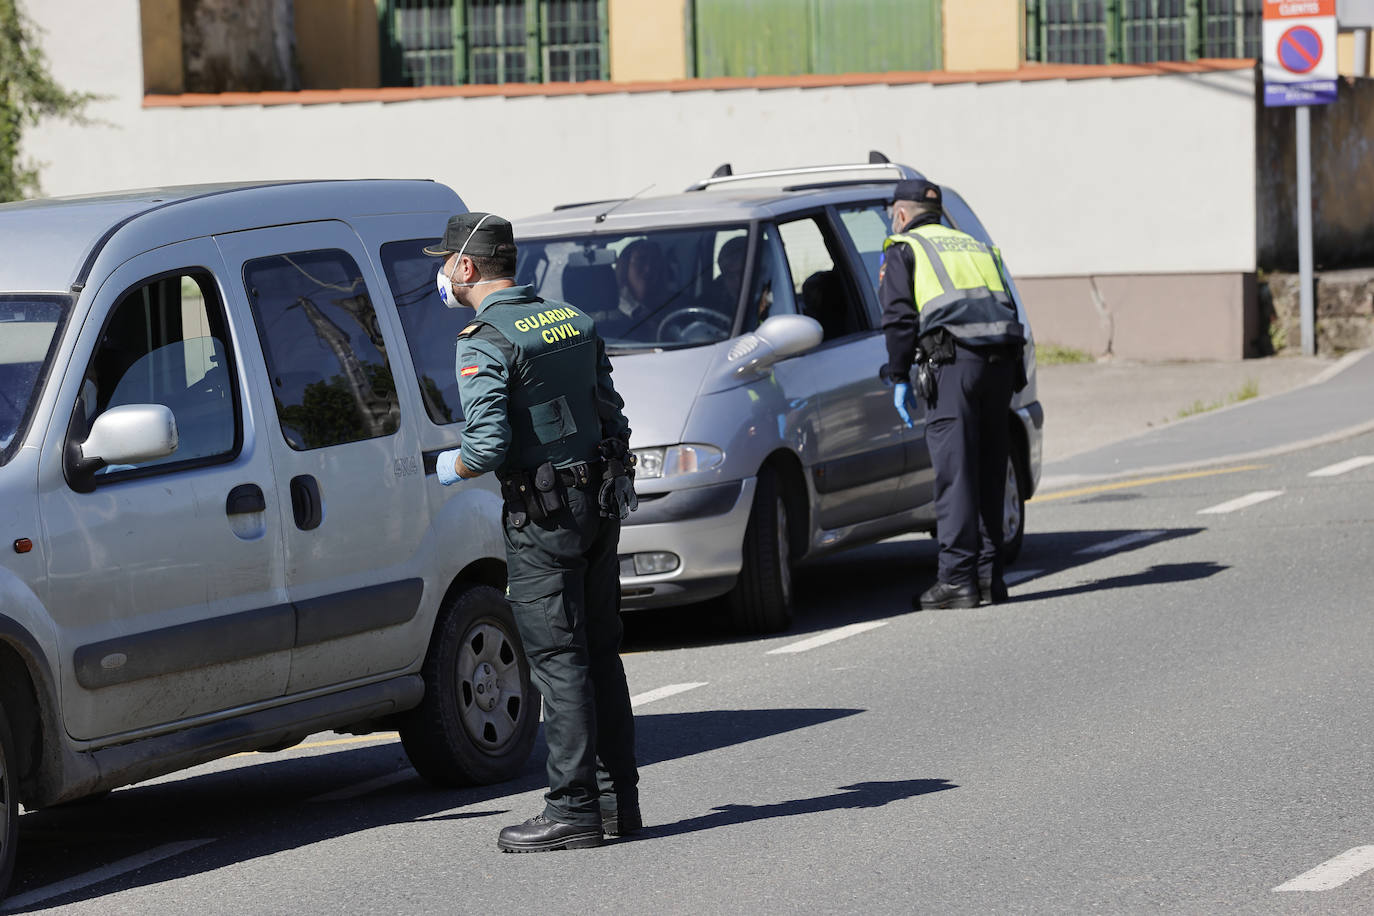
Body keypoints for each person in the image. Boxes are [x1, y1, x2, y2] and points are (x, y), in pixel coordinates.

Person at [426, 212, 641, 852]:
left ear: (466, 268)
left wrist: (449, 466)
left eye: (445, 261)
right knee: (601, 652)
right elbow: (612, 413)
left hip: (543, 517)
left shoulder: (483, 338)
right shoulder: (571, 320)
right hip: (598, 504)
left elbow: (488, 443)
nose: (441, 272)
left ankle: (571, 808)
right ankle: (616, 805)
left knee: (558, 659)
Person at [878, 179, 1025, 611]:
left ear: (902, 215)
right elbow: (1007, 305)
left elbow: (899, 318)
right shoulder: (974, 246)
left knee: (955, 473)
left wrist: (899, 374)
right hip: (999, 367)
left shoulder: (904, 248)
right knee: (988, 470)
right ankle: (988, 578)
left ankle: (956, 580)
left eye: (893, 217)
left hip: (952, 366)